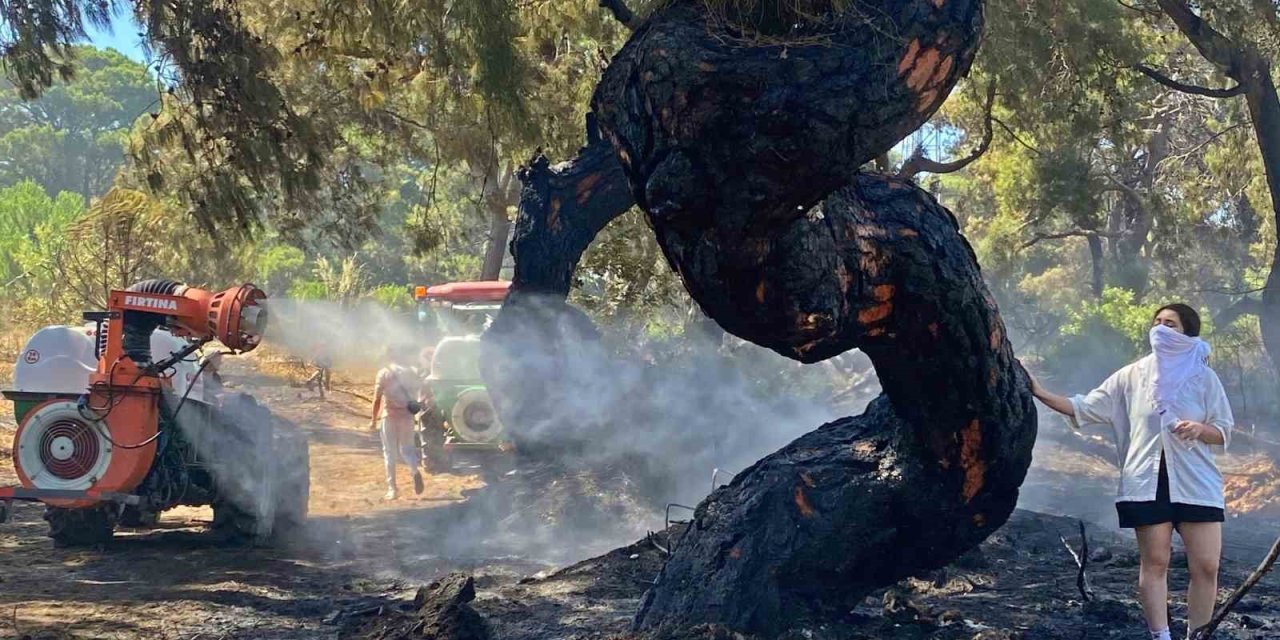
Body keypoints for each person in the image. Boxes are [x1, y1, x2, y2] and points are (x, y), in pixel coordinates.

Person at [1030, 304, 1233, 640]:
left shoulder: (1204, 378)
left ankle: (1198, 635)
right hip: (1145, 483)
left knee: (1207, 566)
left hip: (1197, 483)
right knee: (1155, 563)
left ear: (1187, 335)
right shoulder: (1132, 376)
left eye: (1171, 324)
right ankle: (1161, 636)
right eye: (1157, 322)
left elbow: (1224, 429)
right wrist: (1040, 392)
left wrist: (1199, 429)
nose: (1161, 328)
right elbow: (1085, 407)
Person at [370, 344, 425, 499]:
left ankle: (392, 489)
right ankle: (414, 470)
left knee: (389, 453)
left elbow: (377, 399)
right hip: (407, 416)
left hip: (389, 416)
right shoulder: (411, 372)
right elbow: (419, 393)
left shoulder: (384, 373)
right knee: (407, 449)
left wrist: (373, 419)